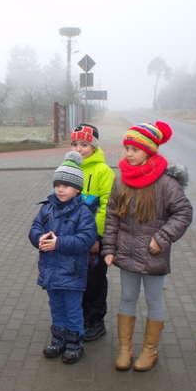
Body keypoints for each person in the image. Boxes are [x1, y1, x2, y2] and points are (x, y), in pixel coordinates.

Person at [102, 121, 192, 372]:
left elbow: (183, 213)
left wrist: (162, 238)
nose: (128, 154)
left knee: (154, 300)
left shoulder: (166, 183)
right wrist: (109, 248)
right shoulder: (121, 179)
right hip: (126, 252)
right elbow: (112, 216)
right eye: (127, 149)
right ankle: (125, 348)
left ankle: (150, 349)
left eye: (134, 149)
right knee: (127, 297)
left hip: (154, 254)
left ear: (149, 151)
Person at [29, 151, 97, 364]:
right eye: (58, 184)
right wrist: (38, 238)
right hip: (50, 271)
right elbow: (35, 227)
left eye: (66, 185)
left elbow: (86, 239)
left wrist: (58, 243)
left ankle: (74, 344)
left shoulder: (84, 212)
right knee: (56, 307)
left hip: (72, 272)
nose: (60, 189)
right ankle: (58, 340)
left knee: (73, 309)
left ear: (77, 189)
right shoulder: (47, 208)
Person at [70, 124, 115, 341]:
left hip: (93, 239)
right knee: (75, 278)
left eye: (84, 145)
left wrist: (95, 237)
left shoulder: (103, 171)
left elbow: (107, 206)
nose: (79, 149)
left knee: (95, 280)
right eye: (75, 144)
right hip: (71, 237)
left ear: (94, 146)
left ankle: (96, 321)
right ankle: (78, 317)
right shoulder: (69, 168)